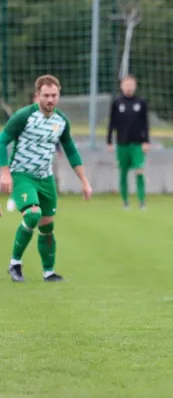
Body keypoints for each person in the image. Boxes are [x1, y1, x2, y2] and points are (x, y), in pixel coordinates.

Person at [0, 74, 92, 282]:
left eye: (54, 95)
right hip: (22, 175)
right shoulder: (23, 116)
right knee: (33, 215)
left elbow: (71, 151)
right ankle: (15, 264)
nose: (50, 99)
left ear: (59, 95)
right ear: (37, 96)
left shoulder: (61, 121)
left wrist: (84, 181)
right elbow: (1, 141)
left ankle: (48, 272)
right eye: (46, 95)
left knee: (47, 225)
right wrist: (4, 172)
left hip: (45, 178)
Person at [107, 75, 150, 210]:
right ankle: (125, 201)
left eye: (131, 84)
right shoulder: (117, 103)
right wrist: (109, 141)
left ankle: (141, 201)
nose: (129, 87)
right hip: (122, 143)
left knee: (139, 171)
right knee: (123, 173)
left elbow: (145, 123)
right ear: (122, 86)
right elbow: (111, 123)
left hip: (137, 144)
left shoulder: (141, 103)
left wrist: (146, 141)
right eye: (126, 84)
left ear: (135, 86)